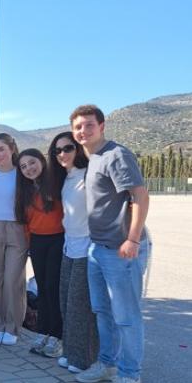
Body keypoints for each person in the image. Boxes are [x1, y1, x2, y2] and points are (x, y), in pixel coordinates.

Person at [70, 105, 150, 383]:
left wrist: (133, 239)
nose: (83, 131)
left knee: (126, 317)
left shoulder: (116, 155)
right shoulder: (93, 158)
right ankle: (108, 364)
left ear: (102, 126)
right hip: (98, 248)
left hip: (121, 249)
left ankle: (130, 374)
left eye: (89, 125)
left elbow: (140, 196)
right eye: (78, 127)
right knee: (103, 312)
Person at [48, 131, 98, 374]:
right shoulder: (65, 178)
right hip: (69, 245)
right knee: (66, 301)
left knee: (80, 305)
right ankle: (70, 352)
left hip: (87, 247)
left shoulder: (89, 175)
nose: (62, 154)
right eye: (57, 150)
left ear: (77, 148)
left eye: (67, 148)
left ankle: (83, 358)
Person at [15, 148, 65, 357]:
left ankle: (57, 337)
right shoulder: (25, 191)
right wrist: (29, 244)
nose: (29, 168)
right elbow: (26, 223)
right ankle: (43, 332)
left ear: (42, 161)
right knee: (42, 289)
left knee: (53, 289)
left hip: (57, 240)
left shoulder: (56, 184)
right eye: (24, 166)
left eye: (32, 163)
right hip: (37, 243)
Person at [0, 133, 27, 346]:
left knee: (12, 280)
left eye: (1, 149)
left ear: (12, 149)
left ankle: (12, 326)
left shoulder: (22, 174)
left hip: (16, 229)